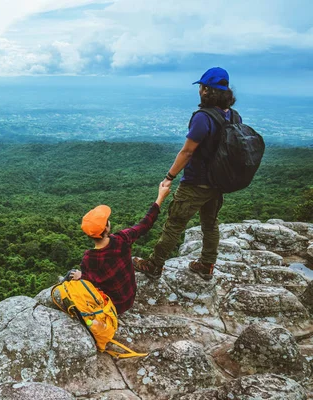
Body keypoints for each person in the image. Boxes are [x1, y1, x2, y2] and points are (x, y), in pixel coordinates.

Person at [133, 67, 239, 281]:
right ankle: (207, 265)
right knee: (210, 224)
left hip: (196, 182)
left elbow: (188, 151)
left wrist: (169, 176)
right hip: (218, 183)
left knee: (175, 223)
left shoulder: (203, 117)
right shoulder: (234, 116)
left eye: (202, 87)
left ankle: (154, 265)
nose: (199, 90)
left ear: (207, 90)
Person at [68, 182, 170, 315]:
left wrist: (80, 276)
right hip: (129, 297)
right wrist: (160, 197)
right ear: (106, 228)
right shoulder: (122, 239)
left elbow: (90, 280)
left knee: (71, 277)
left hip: (113, 306)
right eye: (107, 220)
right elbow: (145, 224)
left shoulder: (89, 259)